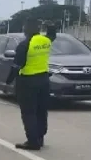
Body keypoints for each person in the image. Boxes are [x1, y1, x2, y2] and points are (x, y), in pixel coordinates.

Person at [5, 18, 57, 150]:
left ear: (27, 29)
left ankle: (32, 141)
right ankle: (40, 137)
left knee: (29, 112)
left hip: (28, 81)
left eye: (24, 27)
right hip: (44, 80)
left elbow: (17, 66)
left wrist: (8, 82)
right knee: (41, 110)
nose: (23, 29)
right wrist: (51, 26)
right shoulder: (45, 41)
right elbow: (52, 35)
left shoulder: (24, 45)